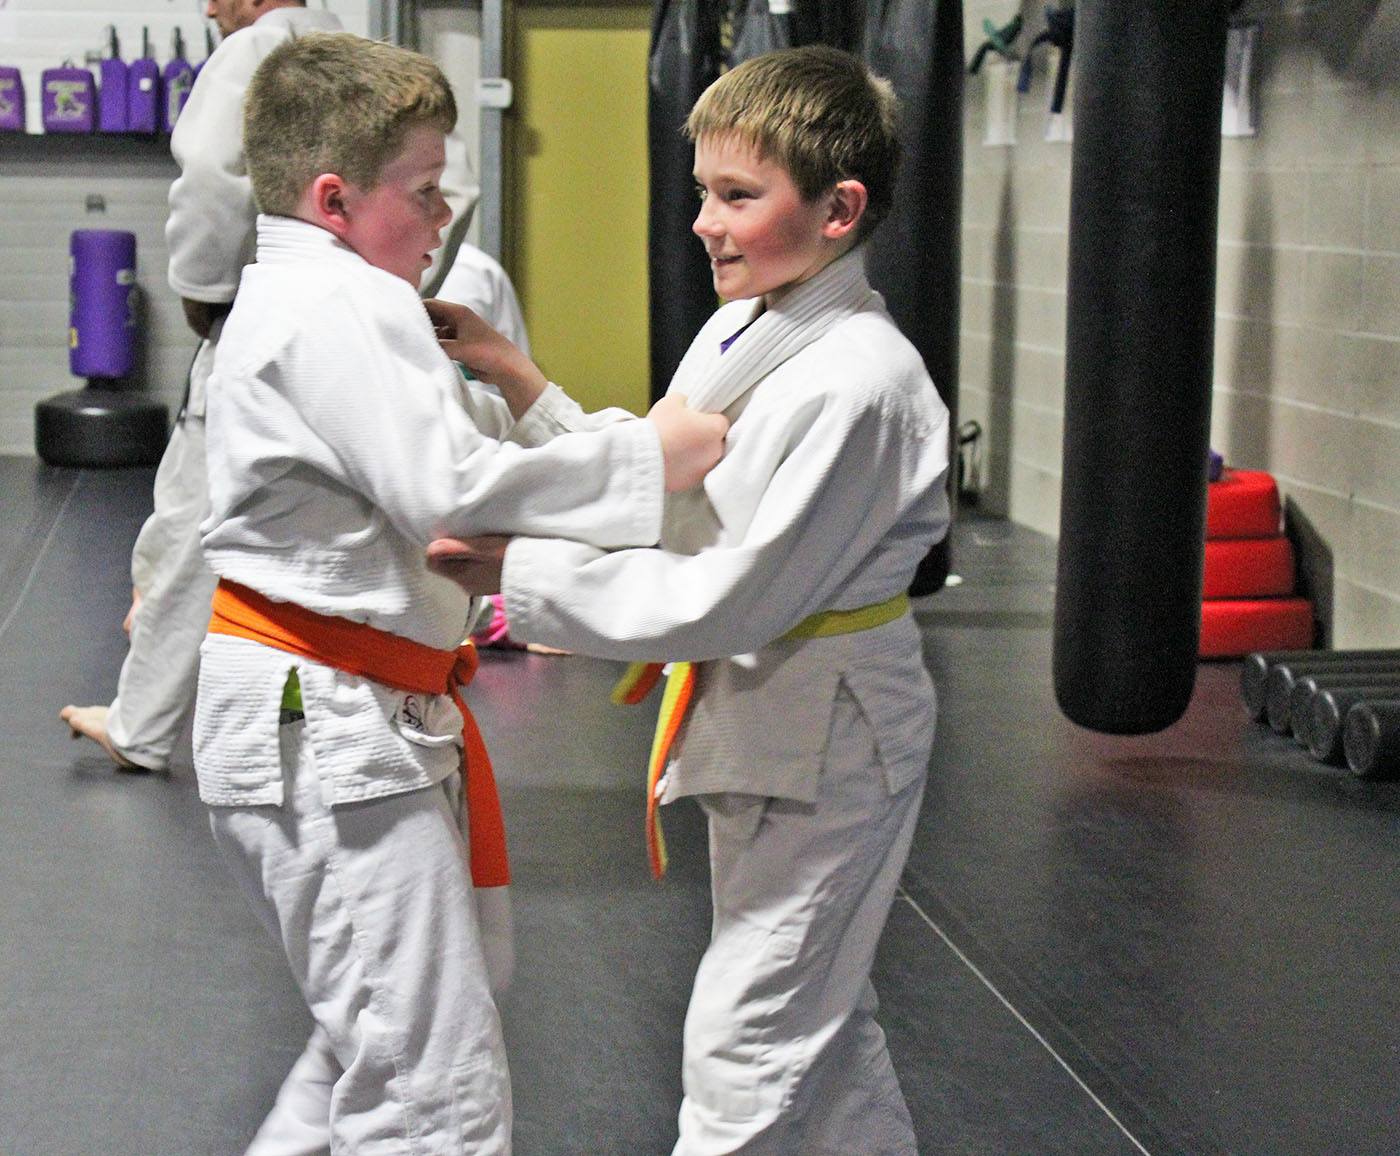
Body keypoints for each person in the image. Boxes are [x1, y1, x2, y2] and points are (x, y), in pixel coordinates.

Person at [193, 32, 725, 1154]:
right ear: (334, 198)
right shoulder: (343, 305)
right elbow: (452, 493)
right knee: (434, 1092)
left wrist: (518, 386)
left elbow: (442, 454)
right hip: (327, 722)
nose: (442, 221)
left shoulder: (310, 294)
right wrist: (649, 457)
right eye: (425, 192)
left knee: (375, 1040)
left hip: (342, 714)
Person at [425, 45, 949, 1155]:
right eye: (702, 193)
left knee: (748, 1038)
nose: (705, 224)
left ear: (839, 208)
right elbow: (653, 477)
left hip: (831, 727)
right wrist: (519, 380)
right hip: (767, 710)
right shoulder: (748, 322)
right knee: (818, 1018)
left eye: (738, 197)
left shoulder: (858, 383)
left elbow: (729, 595)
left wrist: (510, 577)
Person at [58, 0, 346, 769]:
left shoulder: (255, 49)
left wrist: (203, 288)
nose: (211, 7)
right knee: (326, 519)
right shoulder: (349, 44)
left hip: (254, 322)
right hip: (346, 326)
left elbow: (216, 177)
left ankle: (141, 724)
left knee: (189, 523)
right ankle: (335, 708)